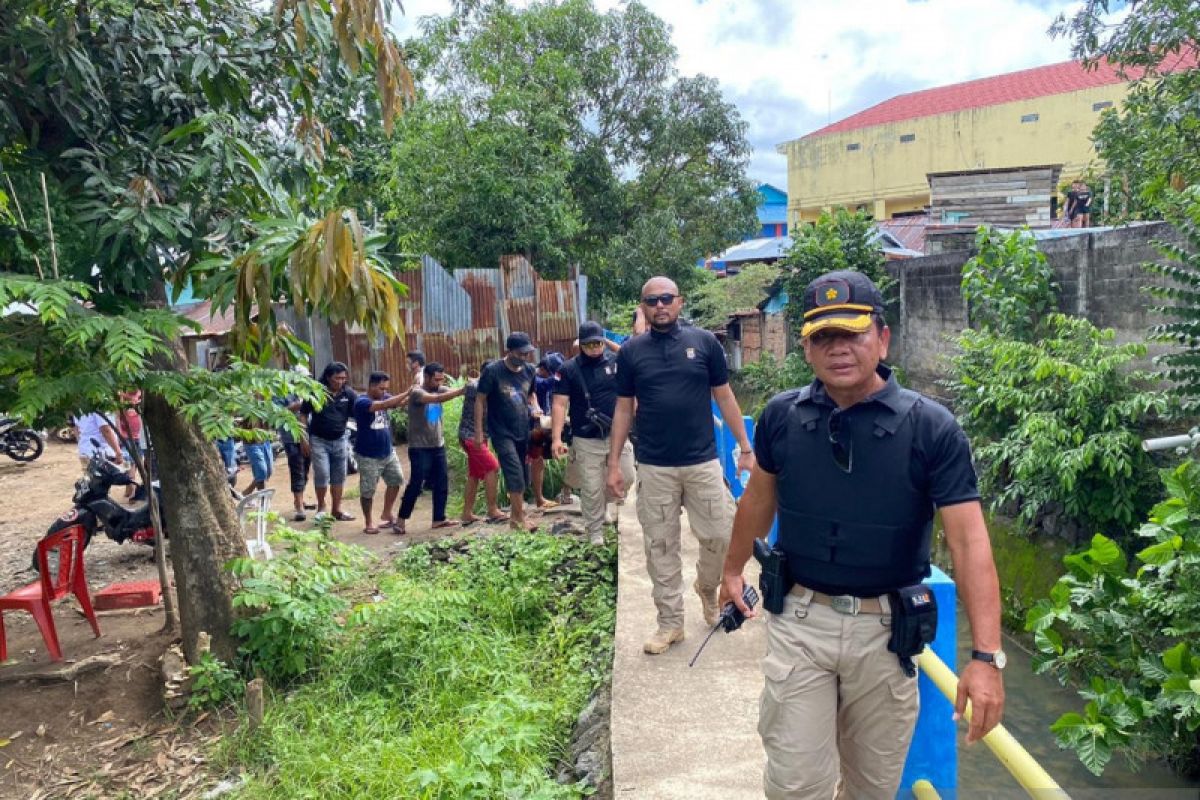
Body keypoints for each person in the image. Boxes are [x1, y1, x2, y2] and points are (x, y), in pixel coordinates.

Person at [720, 270, 1005, 799]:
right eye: (824, 337)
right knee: (795, 785)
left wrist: (986, 658)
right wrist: (733, 568)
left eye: (852, 333)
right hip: (801, 620)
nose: (839, 349)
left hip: (885, 633)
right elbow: (759, 498)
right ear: (806, 348)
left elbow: (969, 544)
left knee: (873, 789)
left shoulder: (931, 428)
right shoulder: (784, 416)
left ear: (882, 337)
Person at [605, 276, 755, 654]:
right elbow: (624, 408)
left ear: (679, 302)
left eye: (666, 298)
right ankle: (670, 622)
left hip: (702, 462)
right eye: (651, 300)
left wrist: (745, 446)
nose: (660, 305)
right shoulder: (631, 352)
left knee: (722, 534)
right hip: (654, 466)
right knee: (660, 546)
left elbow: (724, 396)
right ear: (643, 306)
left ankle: (707, 588)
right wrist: (613, 465)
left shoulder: (704, 343)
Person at [552, 321, 635, 545]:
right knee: (590, 487)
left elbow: (631, 352)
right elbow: (559, 404)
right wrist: (557, 438)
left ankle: (606, 503)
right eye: (589, 344)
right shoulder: (568, 369)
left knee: (627, 476)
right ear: (581, 345)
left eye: (599, 343)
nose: (595, 348)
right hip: (585, 437)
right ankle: (595, 531)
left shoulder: (617, 362)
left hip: (617, 434)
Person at [476, 332, 541, 531]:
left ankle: (515, 519)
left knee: (522, 473)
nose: (524, 357)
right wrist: (479, 432)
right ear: (509, 351)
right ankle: (520, 518)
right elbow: (480, 400)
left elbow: (530, 394)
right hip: (501, 431)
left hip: (522, 429)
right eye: (520, 353)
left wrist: (536, 407)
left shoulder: (529, 370)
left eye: (527, 353)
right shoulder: (493, 371)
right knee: (514, 471)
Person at [397, 362, 466, 534]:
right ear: (426, 377)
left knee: (442, 482)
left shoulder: (439, 389)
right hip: (419, 447)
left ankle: (438, 519)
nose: (439, 383)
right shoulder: (417, 392)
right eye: (436, 380)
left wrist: (469, 386)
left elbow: (446, 393)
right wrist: (461, 390)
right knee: (416, 484)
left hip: (437, 445)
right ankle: (400, 520)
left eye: (441, 380)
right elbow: (436, 399)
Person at [352, 371, 411, 534]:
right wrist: (408, 391)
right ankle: (369, 522)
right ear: (371, 386)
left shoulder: (384, 397)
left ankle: (387, 512)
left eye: (386, 389)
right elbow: (385, 404)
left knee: (396, 480)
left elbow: (399, 402)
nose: (384, 392)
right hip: (368, 455)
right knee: (368, 490)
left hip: (387, 451)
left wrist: (418, 392)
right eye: (381, 388)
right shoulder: (362, 402)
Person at [299, 361, 357, 521]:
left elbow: (358, 413)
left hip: (340, 439)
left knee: (339, 475)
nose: (340, 381)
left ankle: (336, 509)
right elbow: (303, 414)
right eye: (337, 378)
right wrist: (303, 438)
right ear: (328, 377)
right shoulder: (316, 392)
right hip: (318, 440)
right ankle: (321, 507)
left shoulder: (349, 394)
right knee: (322, 473)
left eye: (343, 378)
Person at [457, 361, 507, 526]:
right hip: (472, 436)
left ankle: (466, 513)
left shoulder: (489, 386)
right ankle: (492, 510)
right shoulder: (476, 387)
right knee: (492, 467)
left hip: (477, 436)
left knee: (475, 474)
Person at [528, 352, 564, 510]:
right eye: (552, 372)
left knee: (538, 461)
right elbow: (546, 384)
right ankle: (534, 498)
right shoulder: (535, 379)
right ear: (543, 369)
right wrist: (561, 374)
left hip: (541, 426)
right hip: (528, 426)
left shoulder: (543, 379)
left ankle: (539, 498)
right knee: (533, 461)